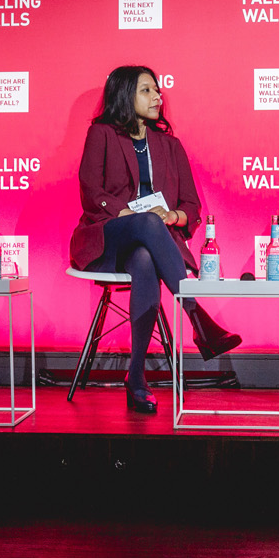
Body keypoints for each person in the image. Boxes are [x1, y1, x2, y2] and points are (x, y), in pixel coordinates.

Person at [70, 66, 241, 414]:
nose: (158, 97)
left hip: (152, 245)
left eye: (158, 90)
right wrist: (134, 216)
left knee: (146, 260)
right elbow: (91, 191)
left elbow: (191, 206)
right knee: (146, 222)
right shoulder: (101, 133)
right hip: (107, 236)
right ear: (124, 95)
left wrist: (172, 217)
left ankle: (136, 377)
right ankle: (197, 318)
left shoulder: (169, 145)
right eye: (147, 91)